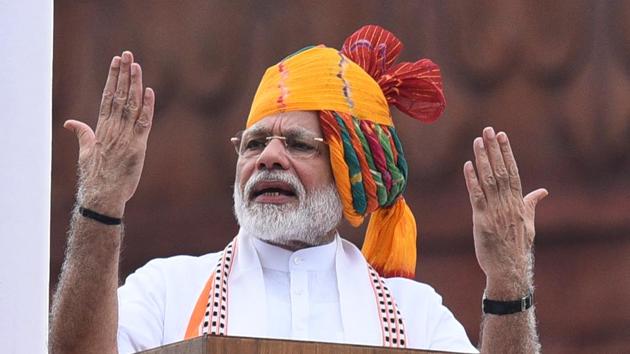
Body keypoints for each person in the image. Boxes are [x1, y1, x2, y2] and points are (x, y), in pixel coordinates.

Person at [50, 25, 547, 354]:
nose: (269, 156)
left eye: (297, 144)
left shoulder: (414, 316)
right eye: (255, 143)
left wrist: (508, 285)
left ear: (346, 168)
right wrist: (100, 207)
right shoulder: (166, 292)